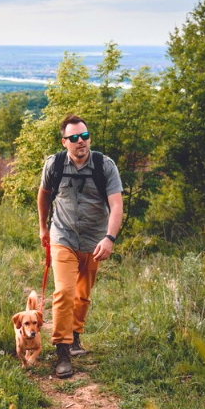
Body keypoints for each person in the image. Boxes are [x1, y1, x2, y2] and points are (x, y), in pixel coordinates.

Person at [37, 114, 123, 378]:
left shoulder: (104, 166)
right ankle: (62, 351)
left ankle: (75, 336)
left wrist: (109, 238)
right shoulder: (54, 165)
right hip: (62, 237)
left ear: (89, 138)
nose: (80, 142)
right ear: (64, 142)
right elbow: (44, 195)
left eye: (84, 136)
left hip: (94, 240)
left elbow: (117, 204)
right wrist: (43, 228)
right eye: (74, 138)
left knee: (83, 294)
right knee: (64, 292)